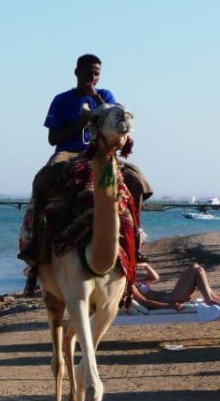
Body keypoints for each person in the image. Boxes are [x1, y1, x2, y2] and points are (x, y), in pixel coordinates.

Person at [24, 53, 152, 264]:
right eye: (87, 73)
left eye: (96, 75)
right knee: (42, 180)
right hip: (69, 152)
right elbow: (53, 138)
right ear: (76, 73)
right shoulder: (62, 100)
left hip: (101, 151)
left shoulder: (106, 96)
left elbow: (114, 122)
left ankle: (134, 238)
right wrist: (81, 123)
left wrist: (97, 101)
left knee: (137, 180)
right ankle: (36, 240)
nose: (92, 78)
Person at [131, 261, 220, 309]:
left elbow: (155, 278)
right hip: (170, 300)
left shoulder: (135, 281)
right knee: (198, 270)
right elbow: (145, 301)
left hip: (170, 296)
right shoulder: (130, 285)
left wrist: (146, 266)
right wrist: (170, 305)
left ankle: (212, 296)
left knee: (194, 266)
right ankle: (209, 300)